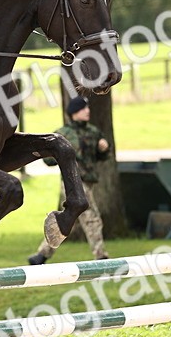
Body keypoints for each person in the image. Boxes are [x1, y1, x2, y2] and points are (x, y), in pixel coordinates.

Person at [28, 95, 112, 265]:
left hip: (88, 182)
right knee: (92, 218)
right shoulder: (62, 134)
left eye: (87, 108)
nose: (88, 111)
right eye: (83, 108)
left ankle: (42, 255)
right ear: (74, 112)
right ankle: (101, 257)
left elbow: (103, 156)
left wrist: (104, 148)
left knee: (67, 219)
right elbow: (49, 160)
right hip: (71, 183)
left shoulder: (93, 132)